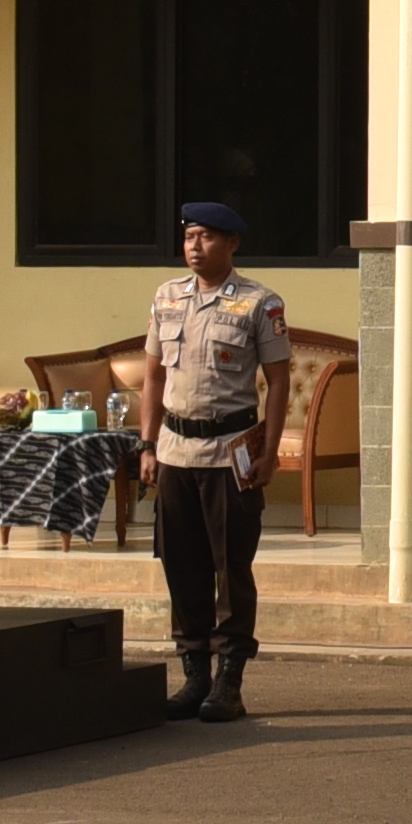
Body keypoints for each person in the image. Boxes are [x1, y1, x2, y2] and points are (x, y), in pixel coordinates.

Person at [139, 200, 291, 723]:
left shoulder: (258, 303)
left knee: (231, 567)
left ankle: (230, 679)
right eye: (188, 237)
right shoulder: (166, 298)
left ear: (232, 244)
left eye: (205, 237)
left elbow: (278, 383)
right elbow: (154, 376)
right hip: (176, 449)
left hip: (232, 451)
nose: (194, 247)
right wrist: (146, 444)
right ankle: (194, 674)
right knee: (181, 565)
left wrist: (269, 453)